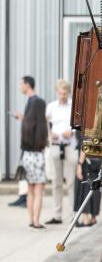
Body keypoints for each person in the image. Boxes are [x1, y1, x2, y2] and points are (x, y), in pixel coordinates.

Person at [44, 79, 77, 225]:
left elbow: (78, 124)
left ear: (68, 93)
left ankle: (72, 215)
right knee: (56, 182)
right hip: (56, 145)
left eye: (65, 93)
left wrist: (72, 131)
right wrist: (50, 135)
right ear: (57, 92)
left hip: (70, 145)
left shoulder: (73, 107)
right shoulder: (51, 107)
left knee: (71, 182)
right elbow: (46, 123)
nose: (62, 96)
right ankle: (57, 215)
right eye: (60, 93)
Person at [9, 76, 39, 208]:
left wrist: (22, 118)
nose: (20, 86)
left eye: (21, 84)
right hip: (27, 142)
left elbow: (35, 123)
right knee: (23, 169)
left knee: (27, 170)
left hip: (31, 144)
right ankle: (23, 196)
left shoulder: (35, 101)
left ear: (27, 85)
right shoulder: (31, 101)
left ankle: (25, 198)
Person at [20, 94, 48, 229]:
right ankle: (37, 221)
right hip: (38, 157)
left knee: (30, 191)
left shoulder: (26, 124)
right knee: (38, 192)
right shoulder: (43, 125)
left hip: (27, 157)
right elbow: (45, 144)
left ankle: (31, 220)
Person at [74, 132, 102, 227]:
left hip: (88, 162)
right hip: (98, 160)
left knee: (85, 189)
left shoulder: (88, 125)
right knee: (96, 188)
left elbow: (85, 144)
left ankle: (85, 218)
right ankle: (93, 217)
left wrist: (79, 164)